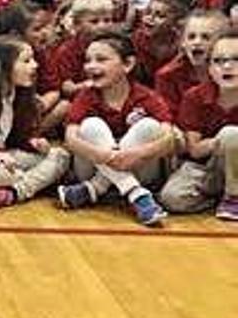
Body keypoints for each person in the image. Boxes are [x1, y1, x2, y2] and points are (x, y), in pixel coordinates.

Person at [58, 32, 176, 226]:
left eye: (101, 59)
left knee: (149, 126)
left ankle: (95, 188)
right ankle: (136, 194)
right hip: (93, 164)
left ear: (128, 64)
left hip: (140, 168)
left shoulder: (147, 96)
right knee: (91, 125)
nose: (91, 66)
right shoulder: (86, 96)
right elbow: (70, 138)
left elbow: (170, 138)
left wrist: (137, 153)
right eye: (87, 60)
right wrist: (102, 155)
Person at [0, 36, 72, 210]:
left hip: (4, 156)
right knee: (6, 174)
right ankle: (24, 187)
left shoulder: (19, 94)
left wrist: (32, 142)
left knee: (61, 156)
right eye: (26, 61)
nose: (35, 65)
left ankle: (10, 194)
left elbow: (14, 139)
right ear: (1, 66)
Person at [159, 32, 238, 218]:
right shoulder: (195, 96)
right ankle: (220, 198)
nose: (227, 66)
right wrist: (223, 142)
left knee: (232, 135)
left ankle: (234, 197)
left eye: (236, 59)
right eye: (218, 61)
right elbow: (195, 150)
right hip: (206, 165)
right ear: (209, 68)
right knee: (172, 198)